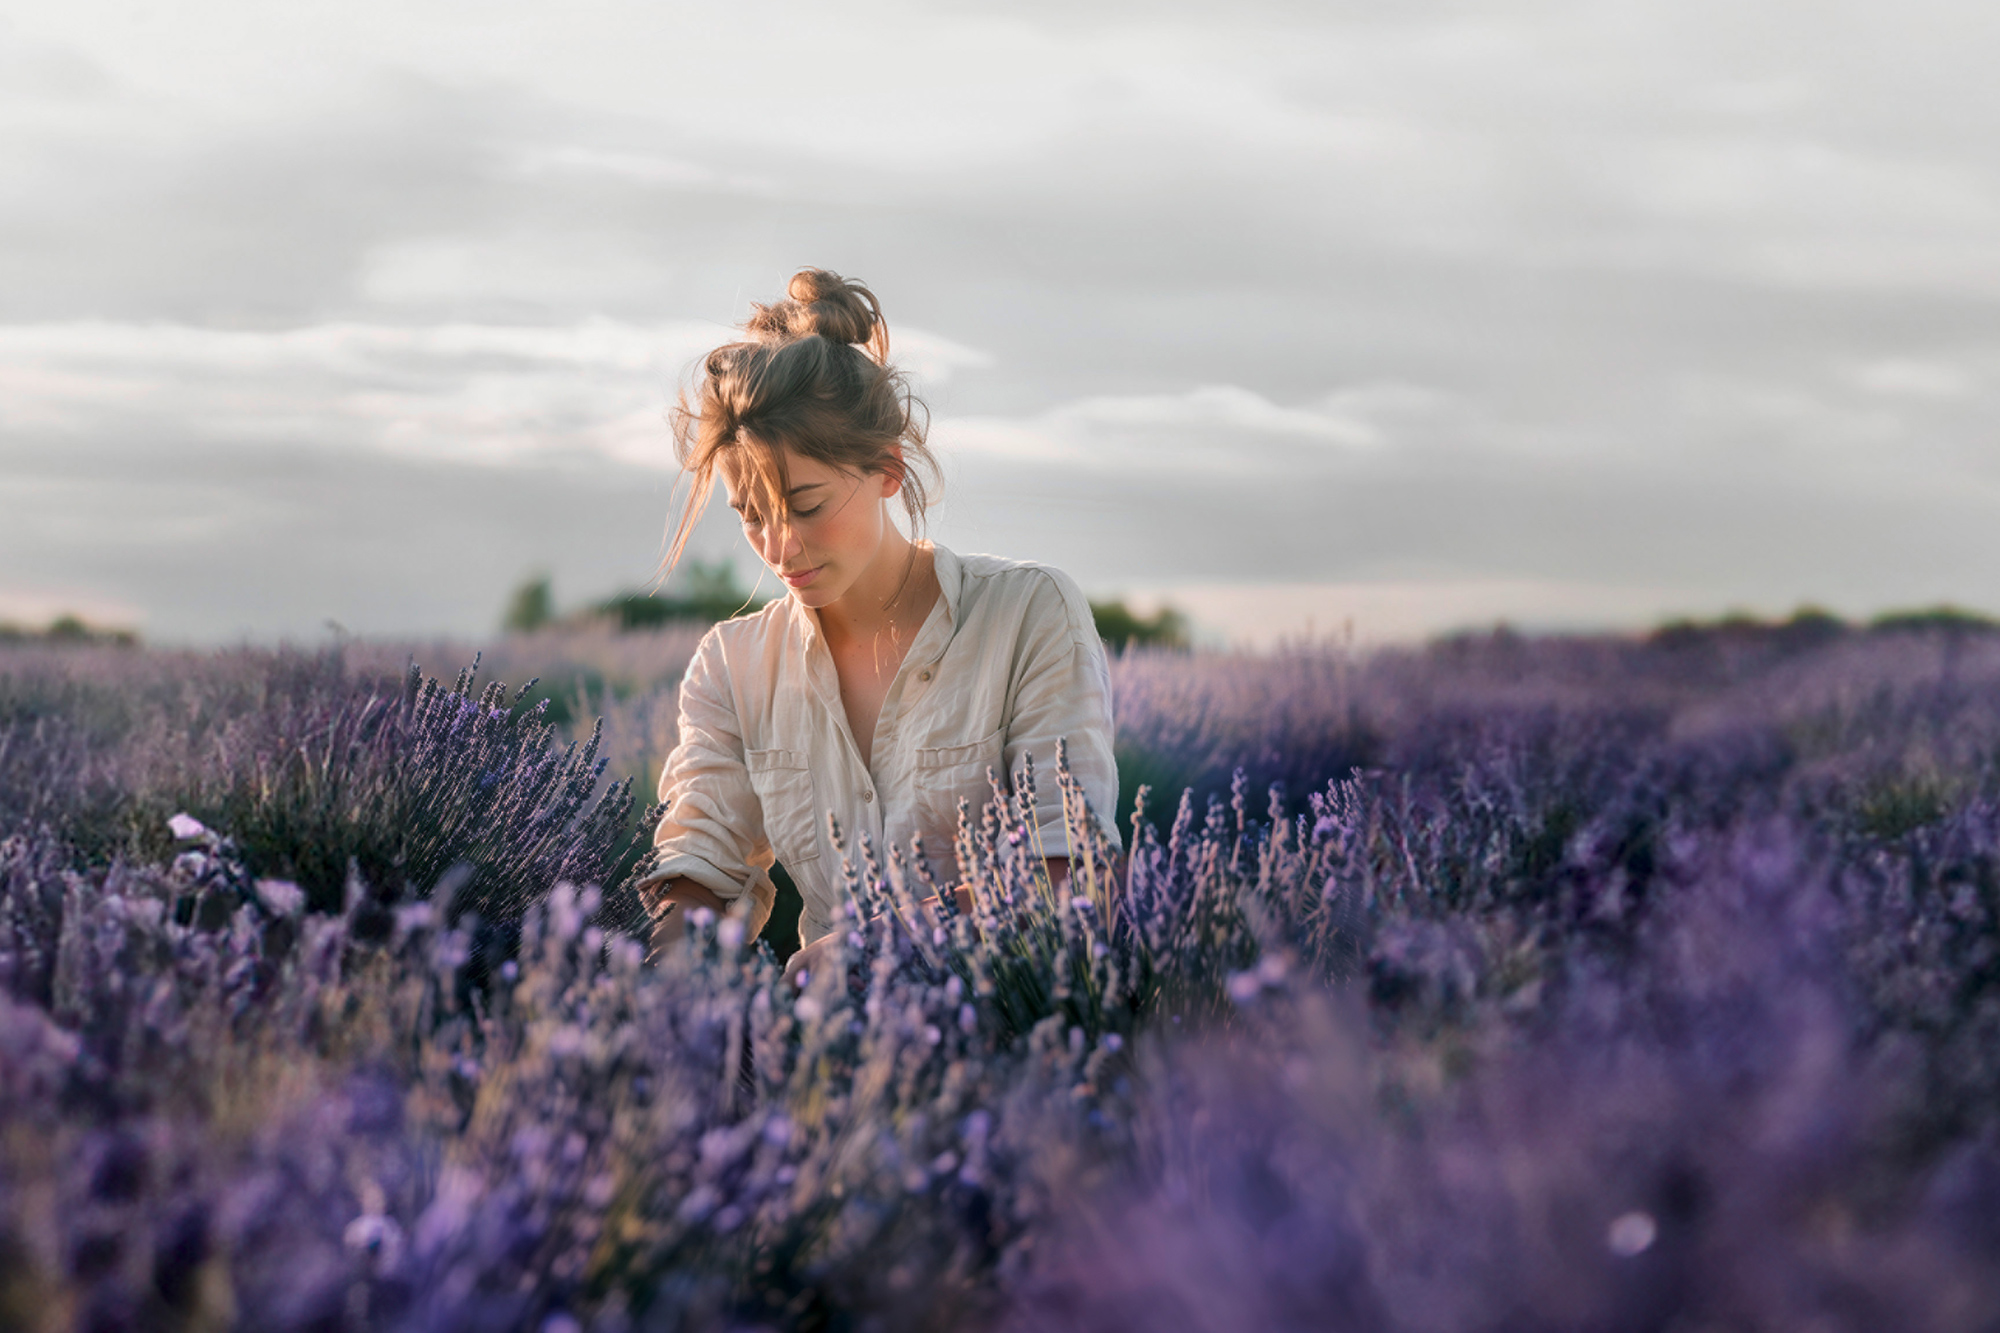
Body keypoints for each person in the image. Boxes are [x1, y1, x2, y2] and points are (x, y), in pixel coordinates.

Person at [636, 268, 1121, 980]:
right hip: (823, 1064)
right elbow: (701, 868)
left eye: (806, 504)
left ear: (888, 469)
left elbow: (1073, 883)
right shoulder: (731, 664)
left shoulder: (1026, 615)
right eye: (751, 514)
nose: (779, 546)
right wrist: (657, 992)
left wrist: (876, 950)